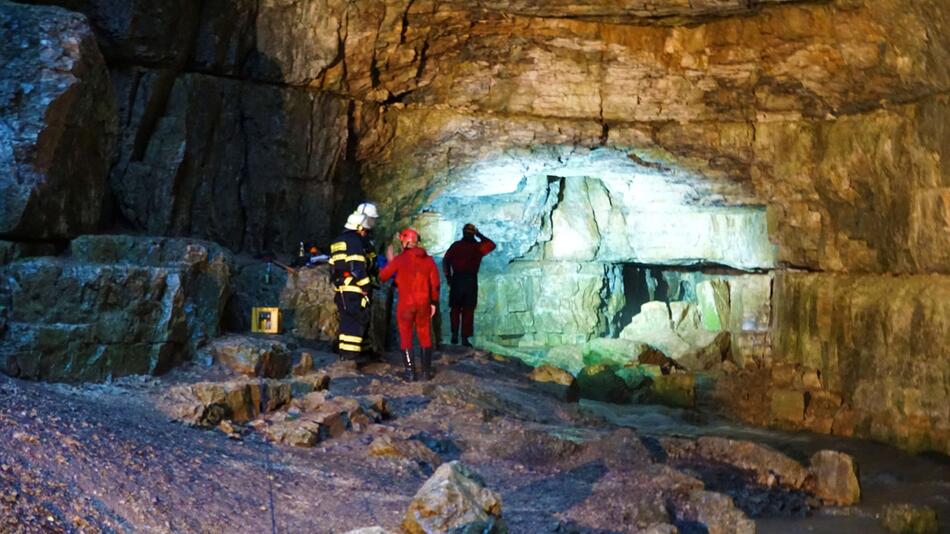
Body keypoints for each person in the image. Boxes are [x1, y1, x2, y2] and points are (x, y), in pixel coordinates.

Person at [379, 228, 440, 381]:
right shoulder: (429, 260)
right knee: (425, 335)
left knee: (406, 335)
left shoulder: (400, 259)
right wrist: (433, 302)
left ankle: (410, 373)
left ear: (405, 242)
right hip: (424, 303)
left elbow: (383, 276)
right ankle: (426, 373)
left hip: (406, 304)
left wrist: (390, 261)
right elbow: (435, 284)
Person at [328, 212, 376, 363]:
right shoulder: (355, 241)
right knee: (355, 322)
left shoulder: (337, 241)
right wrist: (366, 285)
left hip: (342, 288)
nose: (365, 233)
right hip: (355, 288)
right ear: (359, 227)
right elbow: (356, 267)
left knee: (347, 320)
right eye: (364, 230)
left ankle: (351, 353)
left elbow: (332, 266)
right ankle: (350, 357)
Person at [442, 223, 495, 347]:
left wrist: (449, 277)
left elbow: (446, 261)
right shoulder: (478, 247)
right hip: (470, 280)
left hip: (457, 279)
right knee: (468, 310)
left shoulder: (457, 246)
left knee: (455, 309)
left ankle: (455, 335)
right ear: (472, 233)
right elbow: (491, 245)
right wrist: (478, 234)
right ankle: (464, 338)